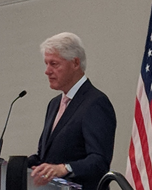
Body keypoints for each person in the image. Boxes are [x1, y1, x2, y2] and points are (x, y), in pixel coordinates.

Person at [29, 32, 117, 190]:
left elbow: (99, 161)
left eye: (54, 64)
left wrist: (64, 168)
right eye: (46, 63)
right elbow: (46, 156)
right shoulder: (54, 104)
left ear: (75, 63)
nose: (47, 71)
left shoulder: (95, 102)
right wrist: (15, 166)